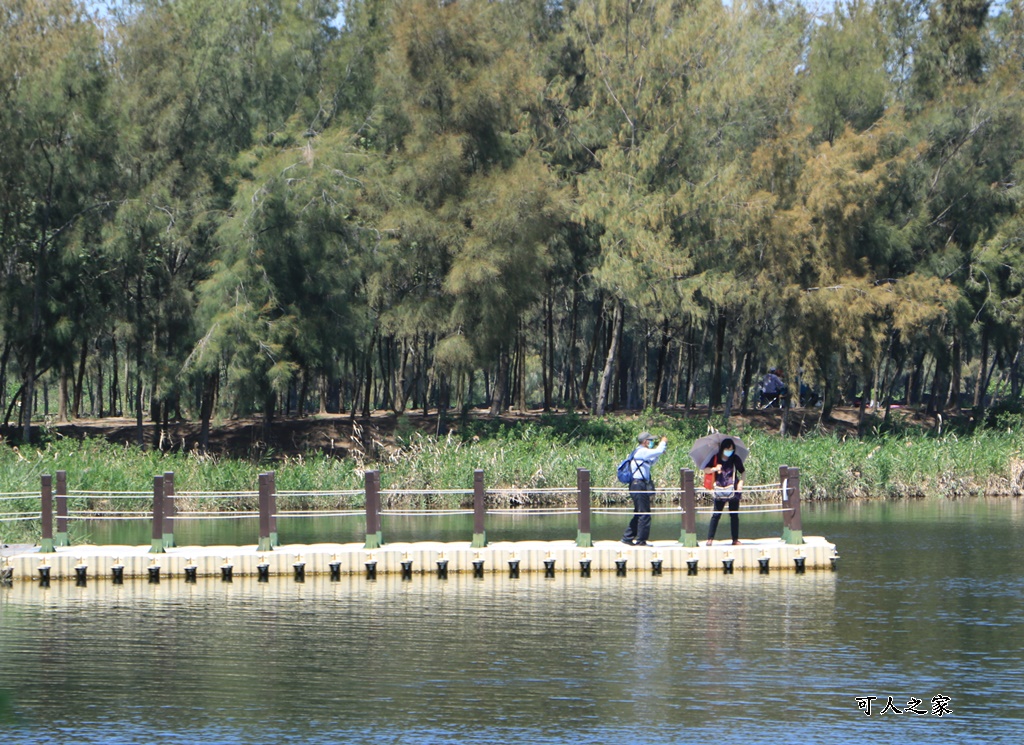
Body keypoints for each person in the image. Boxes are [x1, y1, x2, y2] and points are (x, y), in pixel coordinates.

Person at [621, 431, 667, 547]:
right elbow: (658, 451)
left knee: (639, 512)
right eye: (650, 440)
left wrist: (658, 454)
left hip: (638, 485)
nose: (651, 442)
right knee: (644, 514)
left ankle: (627, 537)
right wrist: (663, 442)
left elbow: (650, 462)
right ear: (645, 442)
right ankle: (641, 541)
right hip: (638, 485)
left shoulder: (640, 452)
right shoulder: (642, 451)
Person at [703, 438, 745, 545]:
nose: (729, 452)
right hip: (720, 489)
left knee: (734, 515)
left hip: (733, 490)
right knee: (716, 514)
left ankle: (735, 539)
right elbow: (706, 469)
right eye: (727, 449)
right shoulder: (716, 458)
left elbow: (743, 471)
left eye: (731, 449)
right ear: (723, 448)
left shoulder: (735, 458)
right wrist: (715, 469)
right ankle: (710, 538)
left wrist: (741, 483)